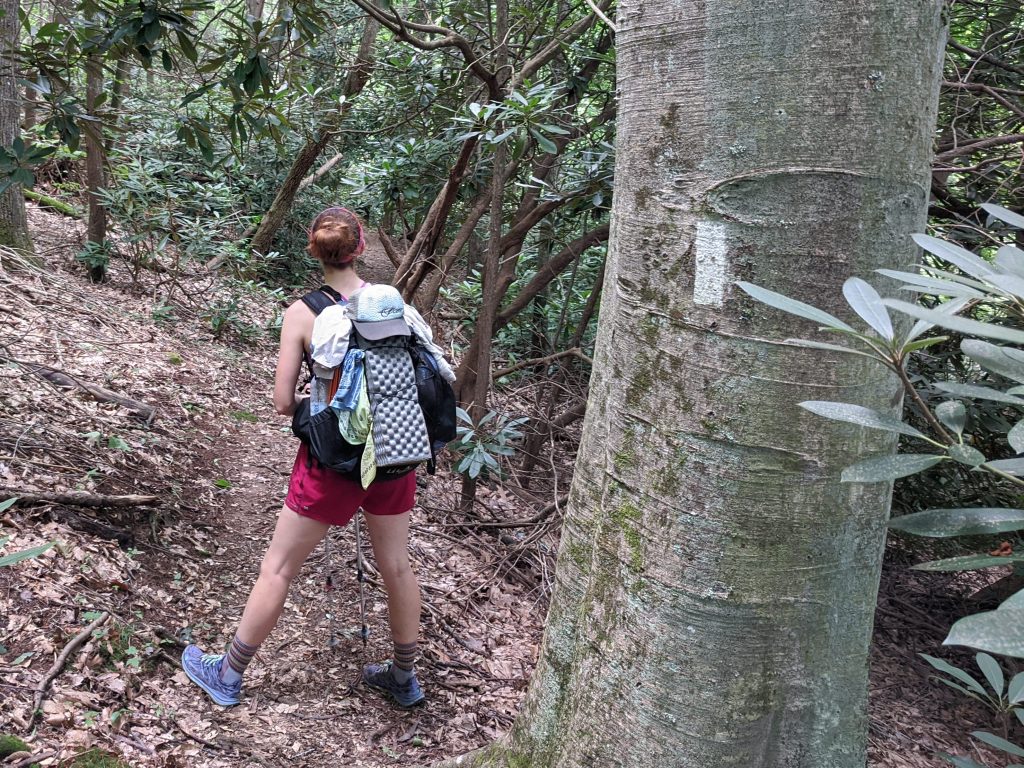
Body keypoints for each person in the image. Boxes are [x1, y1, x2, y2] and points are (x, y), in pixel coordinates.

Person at [181, 207, 426, 708]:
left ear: (314, 251)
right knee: (397, 567)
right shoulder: (391, 305)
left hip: (332, 461)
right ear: (360, 248)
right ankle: (403, 678)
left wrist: (316, 402)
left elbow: (280, 402)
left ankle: (227, 673)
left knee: (279, 568)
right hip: (396, 451)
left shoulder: (304, 311)